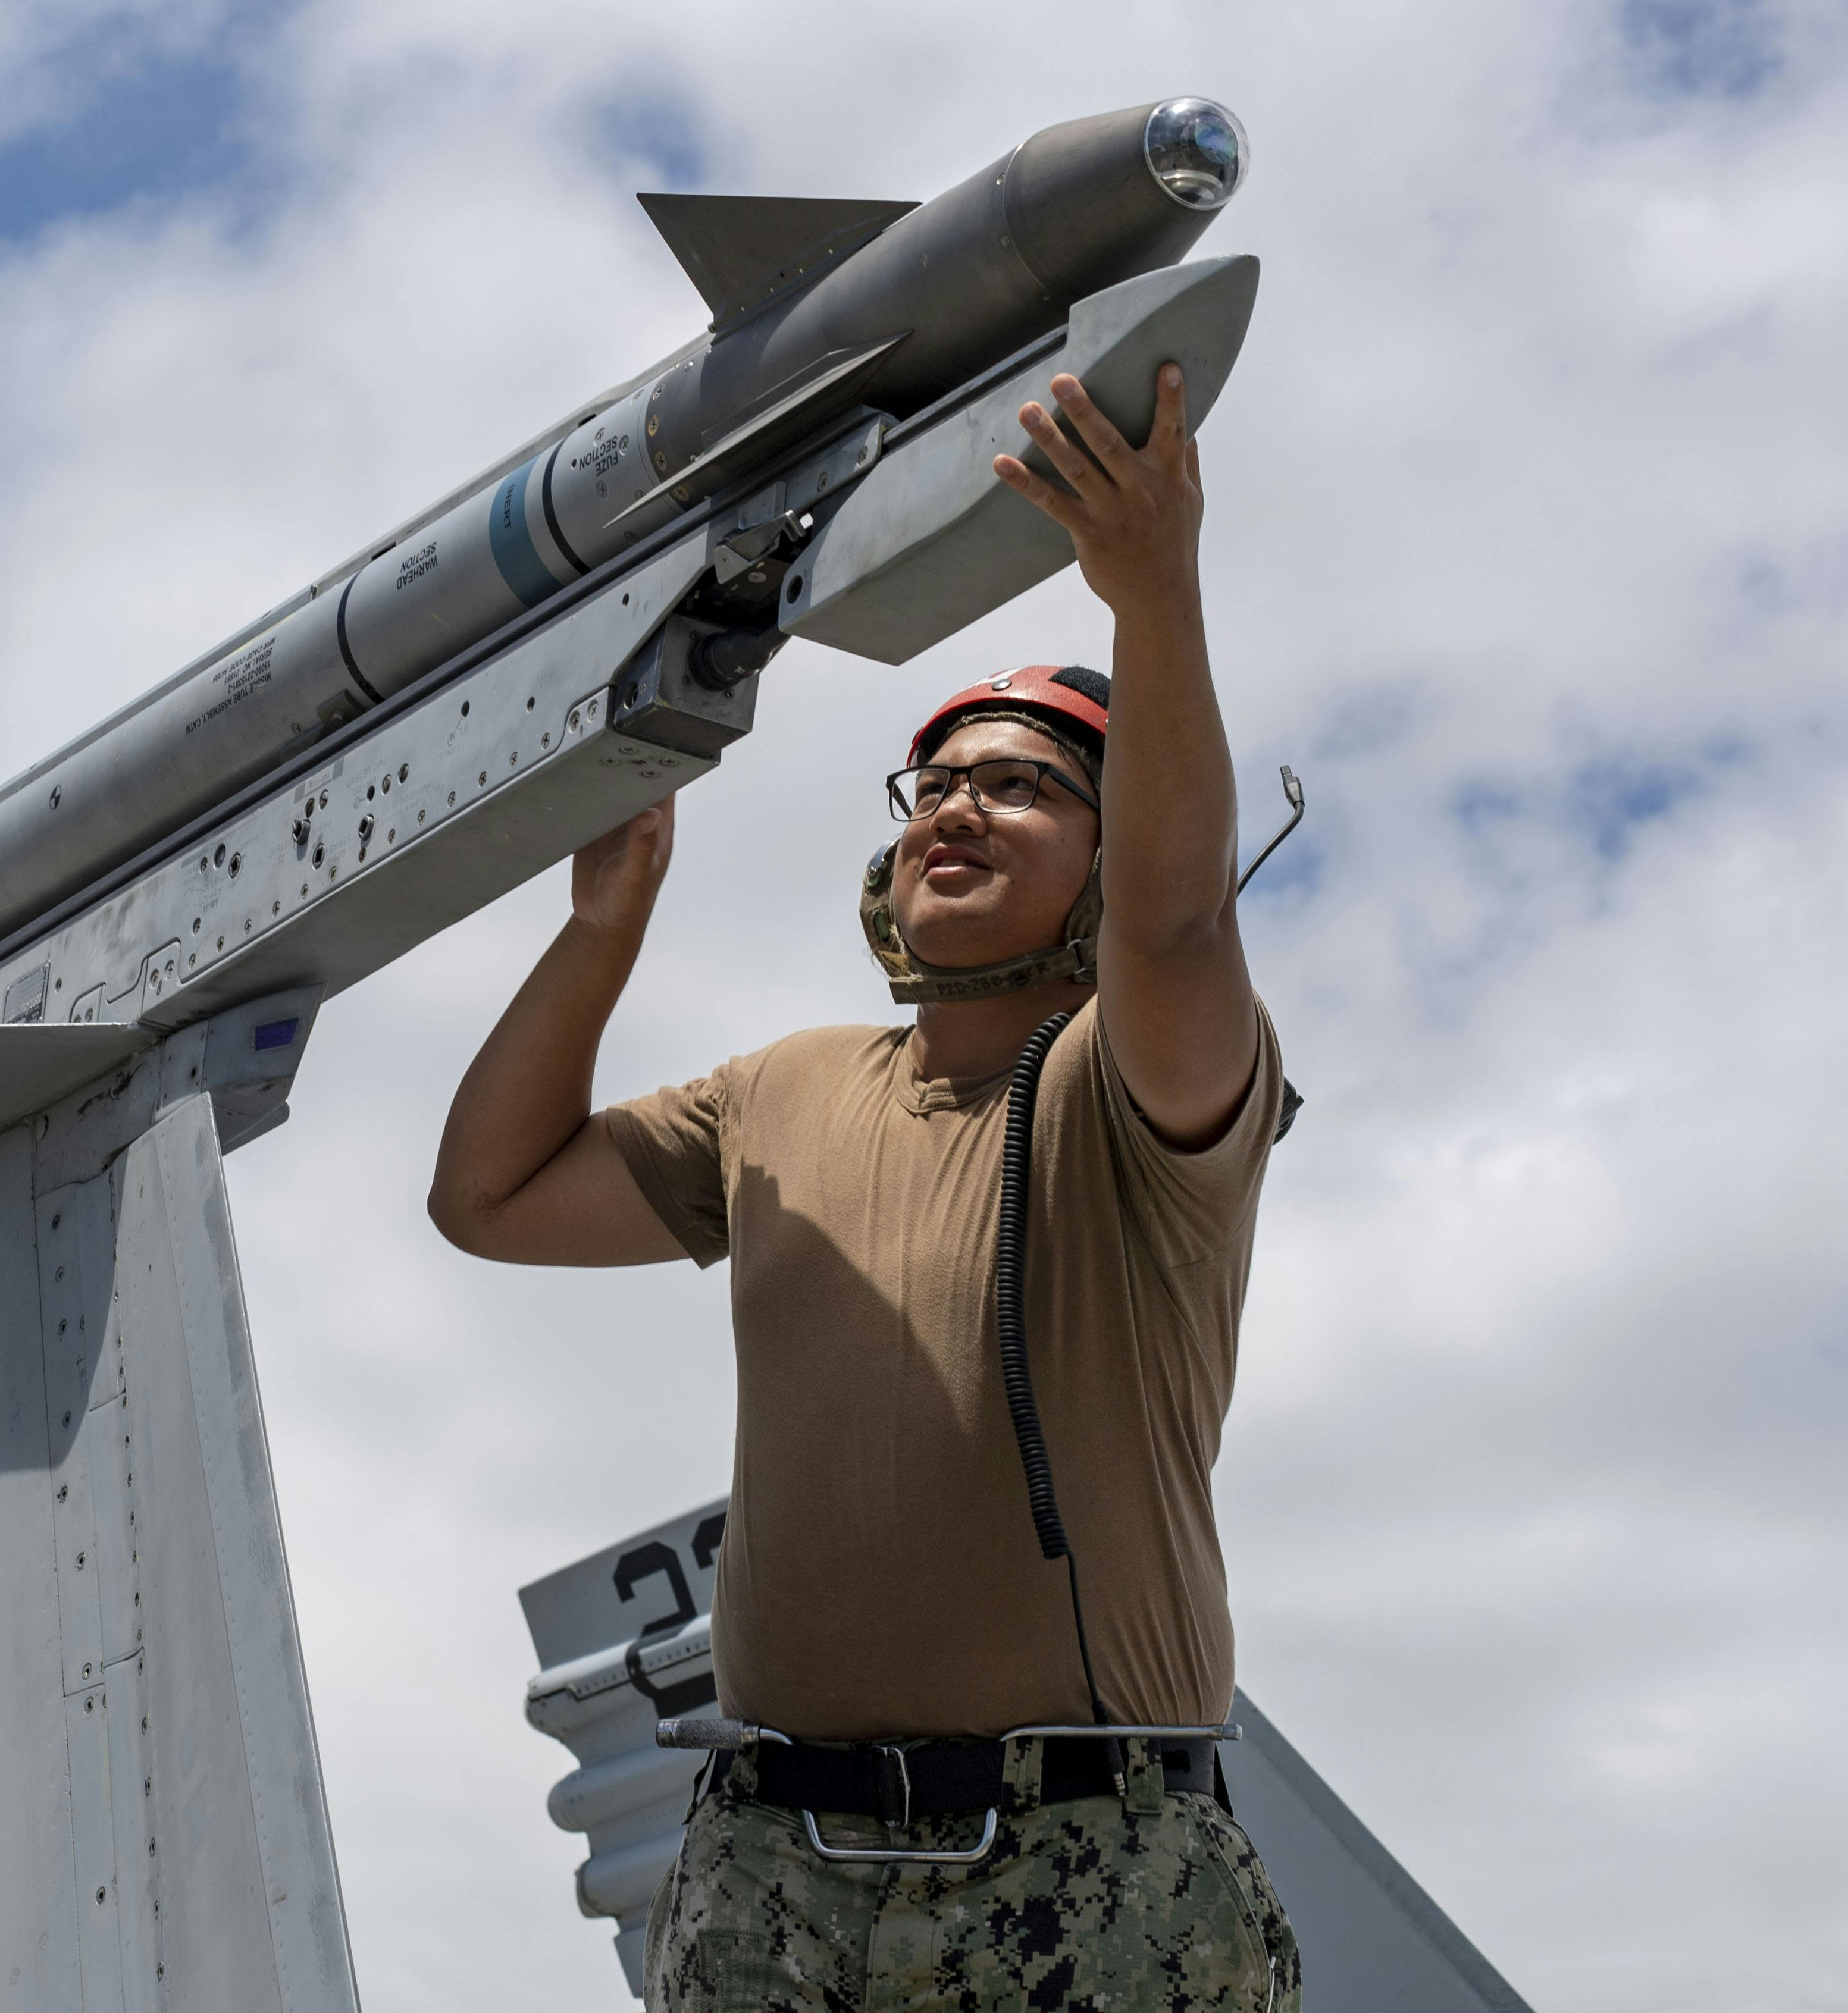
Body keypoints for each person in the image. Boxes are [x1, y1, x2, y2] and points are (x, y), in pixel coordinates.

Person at [429, 363, 1301, 2009]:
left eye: (1026, 783)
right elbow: (492, 1199)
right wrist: (598, 931)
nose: (959, 804)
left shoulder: (1135, 1082)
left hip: (1093, 1865)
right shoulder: (782, 1090)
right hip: (773, 1875)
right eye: (937, 782)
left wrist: (1151, 591)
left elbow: (1179, 930)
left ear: (1112, 856)